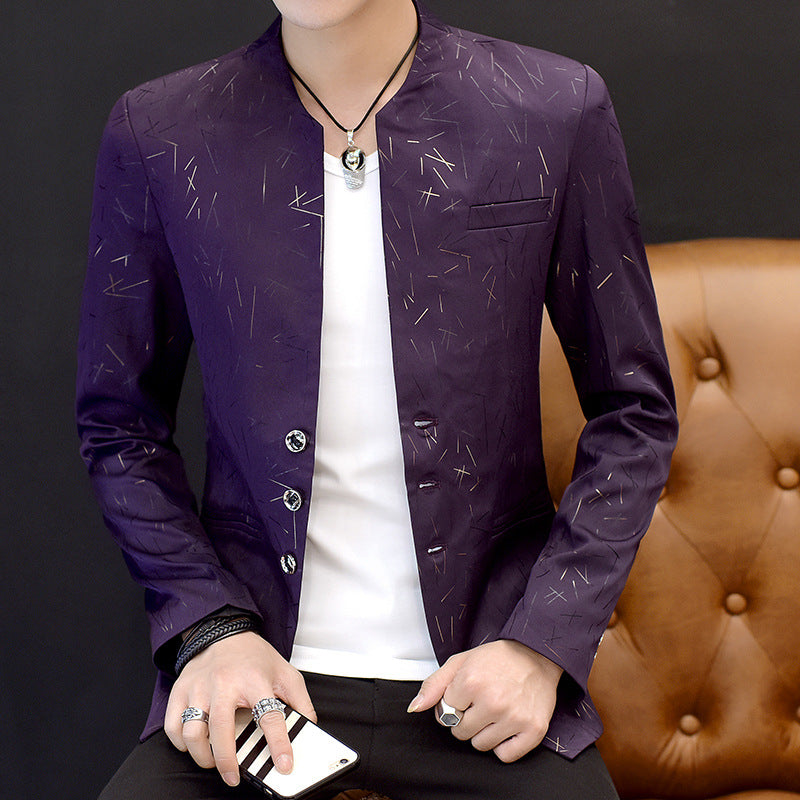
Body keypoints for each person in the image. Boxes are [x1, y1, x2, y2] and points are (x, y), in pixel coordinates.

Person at [76, 0, 678, 797]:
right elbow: (118, 424)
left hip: (481, 677)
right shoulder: (162, 130)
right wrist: (208, 626)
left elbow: (635, 412)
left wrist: (540, 643)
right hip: (259, 681)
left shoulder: (553, 108)